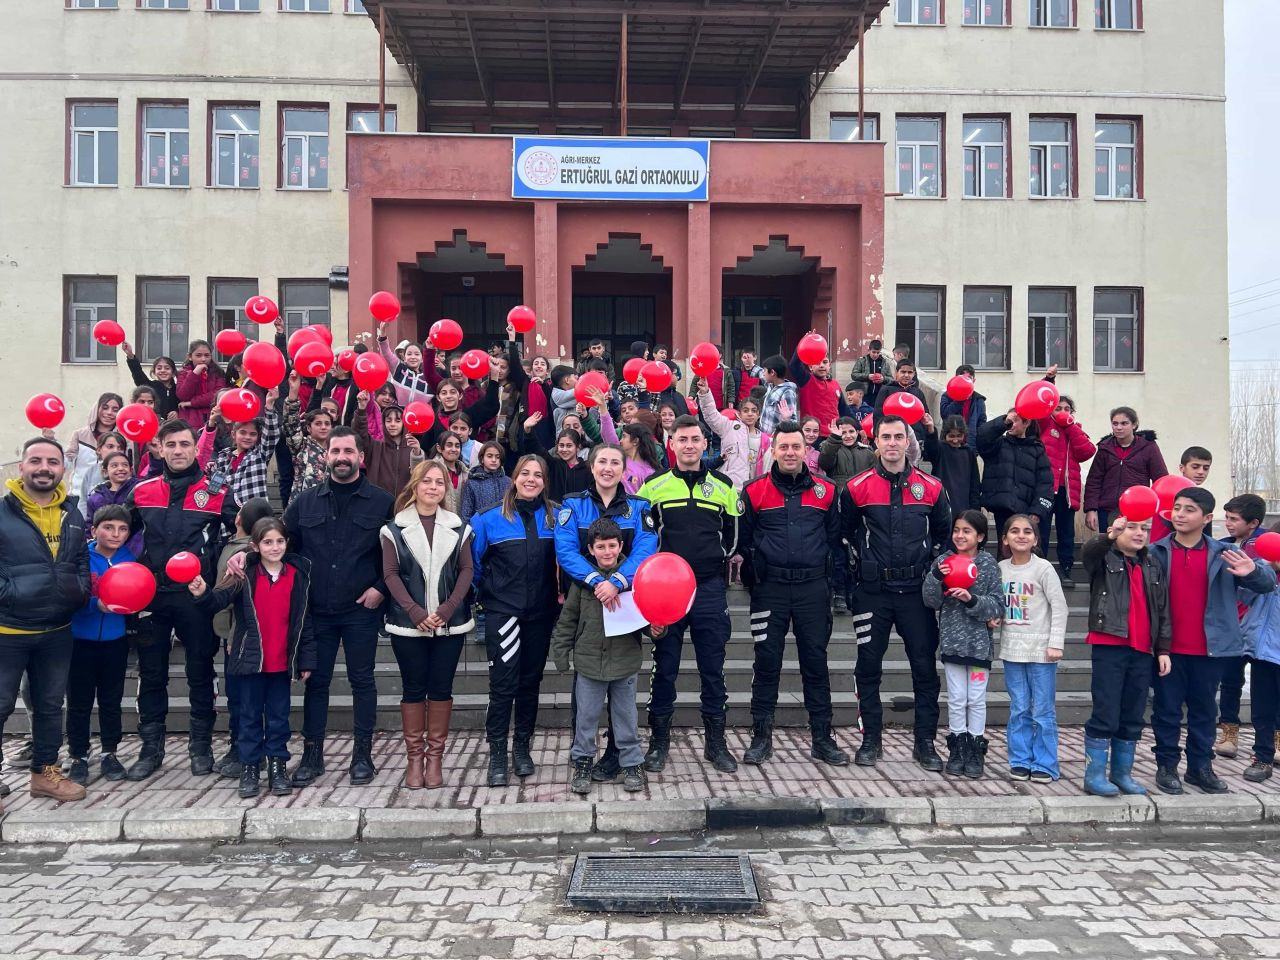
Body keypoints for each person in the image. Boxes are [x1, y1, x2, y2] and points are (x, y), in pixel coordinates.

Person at [280, 427, 395, 787]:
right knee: (317, 683)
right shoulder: (305, 502)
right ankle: (312, 755)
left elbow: (395, 554)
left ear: (361, 457)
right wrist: (243, 557)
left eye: (348, 451)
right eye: (335, 451)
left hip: (361, 609)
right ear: (325, 456)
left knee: (363, 681)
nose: (341, 457)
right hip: (317, 611)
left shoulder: (382, 502)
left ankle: (363, 755)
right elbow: (283, 547)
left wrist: (380, 588)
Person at [125, 418, 239, 781]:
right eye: (170, 444)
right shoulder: (142, 491)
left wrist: (238, 556)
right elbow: (113, 533)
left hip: (196, 597)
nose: (177, 451)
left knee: (200, 672)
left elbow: (244, 530)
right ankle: (150, 748)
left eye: (184, 444)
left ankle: (200, 746)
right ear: (159, 448)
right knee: (152, 673)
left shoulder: (217, 492)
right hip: (151, 598)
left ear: (195, 448)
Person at [841, 415, 952, 771]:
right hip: (873, 594)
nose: (891, 443)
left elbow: (943, 537)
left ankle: (925, 742)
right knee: (868, 668)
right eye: (885, 437)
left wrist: (934, 576)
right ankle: (870, 739)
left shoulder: (931, 488)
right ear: (875, 442)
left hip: (916, 594)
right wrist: (852, 585)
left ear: (908, 441)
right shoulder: (857, 487)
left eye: (898, 437)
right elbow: (843, 538)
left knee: (924, 669)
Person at [1147, 487, 1274, 795]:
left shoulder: (1224, 553)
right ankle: (1166, 766)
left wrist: (1253, 571)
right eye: (1177, 508)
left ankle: (1199, 767)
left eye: (1189, 509)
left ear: (1206, 518)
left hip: (1211, 649)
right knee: (1166, 710)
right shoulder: (1156, 552)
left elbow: (1267, 584)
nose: (1179, 514)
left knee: (1205, 711)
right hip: (1167, 649)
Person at [738, 422, 846, 767]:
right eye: (783, 447)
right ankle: (761, 737)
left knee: (815, 664)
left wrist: (835, 586)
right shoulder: (753, 490)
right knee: (766, 664)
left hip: (813, 589)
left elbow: (834, 542)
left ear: (805, 450)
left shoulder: (826, 491)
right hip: (769, 590)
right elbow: (745, 541)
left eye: (795, 447)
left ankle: (822, 738)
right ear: (773, 450)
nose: (789, 453)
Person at [637, 415, 740, 774]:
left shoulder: (724, 486)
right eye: (682, 440)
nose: (690, 445)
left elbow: (733, 537)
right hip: (665, 592)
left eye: (696, 439)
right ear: (672, 443)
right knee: (664, 668)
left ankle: (716, 743)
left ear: (704, 442)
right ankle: (658, 743)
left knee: (714, 669)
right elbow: (643, 539)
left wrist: (712, 563)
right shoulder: (653, 486)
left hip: (709, 588)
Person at [553, 444, 658, 782]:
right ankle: (583, 759)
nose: (608, 468)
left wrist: (619, 581)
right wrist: (599, 581)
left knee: (624, 709)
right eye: (602, 462)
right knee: (585, 709)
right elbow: (566, 549)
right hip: (587, 603)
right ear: (592, 466)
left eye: (615, 462)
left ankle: (625, 760)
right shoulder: (573, 505)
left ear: (623, 468)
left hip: (625, 608)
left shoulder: (639, 507)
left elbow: (645, 546)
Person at [189, 518, 315, 798]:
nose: (274, 547)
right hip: (249, 660)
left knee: (279, 718)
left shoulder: (297, 574)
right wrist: (202, 593)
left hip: (282, 661)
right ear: (255, 545)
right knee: (247, 716)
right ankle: (249, 767)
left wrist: (306, 658)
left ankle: (278, 766)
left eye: (279, 541)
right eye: (268, 542)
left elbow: (303, 622)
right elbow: (218, 601)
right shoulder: (244, 573)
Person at [0, 438, 91, 804]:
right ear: (21, 467)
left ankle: (45, 773)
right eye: (35, 460)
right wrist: (9, 594)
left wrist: (80, 590)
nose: (44, 468)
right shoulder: (4, 512)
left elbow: (80, 560)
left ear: (62, 469)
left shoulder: (72, 513)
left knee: (51, 705)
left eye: (52, 462)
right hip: (8, 630)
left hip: (56, 629)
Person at [379, 460, 474, 789]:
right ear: (415, 485)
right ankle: (414, 759)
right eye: (427, 481)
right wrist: (415, 612)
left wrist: (447, 609)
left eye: (439, 482)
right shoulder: (393, 529)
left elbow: (466, 571)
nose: (433, 487)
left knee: (441, 689)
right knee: (413, 689)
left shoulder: (459, 527)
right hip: (410, 625)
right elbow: (390, 574)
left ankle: (435, 759)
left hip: (450, 625)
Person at [470, 455, 560, 785]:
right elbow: (473, 566)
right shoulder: (487, 518)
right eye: (525, 473)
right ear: (514, 477)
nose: (531, 479)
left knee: (529, 683)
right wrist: (489, 597)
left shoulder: (556, 516)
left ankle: (521, 749)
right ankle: (497, 754)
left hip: (541, 614)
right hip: (503, 614)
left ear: (545, 481)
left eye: (538, 475)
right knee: (503, 686)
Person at [1080, 516, 1171, 797]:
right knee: (1106, 712)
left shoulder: (1153, 562)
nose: (1139, 533)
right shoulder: (1104, 557)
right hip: (1110, 644)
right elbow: (1089, 553)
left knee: (1132, 713)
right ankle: (1094, 775)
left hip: (1143, 650)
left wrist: (1163, 649)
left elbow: (1163, 608)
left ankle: (1121, 773)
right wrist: (1109, 535)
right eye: (1132, 527)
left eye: (1144, 528)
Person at [923, 510, 1003, 779]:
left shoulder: (989, 564)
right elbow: (930, 600)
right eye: (957, 530)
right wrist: (935, 575)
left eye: (967, 531)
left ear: (980, 536)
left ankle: (975, 748)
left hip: (979, 646)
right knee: (957, 699)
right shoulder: (944, 561)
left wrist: (972, 600)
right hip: (952, 644)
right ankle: (956, 746)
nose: (960, 535)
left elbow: (997, 605)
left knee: (976, 699)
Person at [65, 504, 136, 786]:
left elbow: (136, 591)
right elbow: (69, 594)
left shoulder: (129, 559)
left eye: (122, 529)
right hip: (80, 641)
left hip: (115, 642)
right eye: (108, 527)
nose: (115, 534)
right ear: (94, 530)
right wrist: (96, 605)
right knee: (79, 702)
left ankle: (110, 752)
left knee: (111, 700)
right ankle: (78, 755)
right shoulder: (81, 557)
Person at [998, 514, 1069, 783]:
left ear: (1036, 539)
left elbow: (1059, 607)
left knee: (1043, 710)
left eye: (1027, 531)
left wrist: (1055, 644)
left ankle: (1045, 763)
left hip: (1041, 651)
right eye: (1014, 531)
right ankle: (1020, 759)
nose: (1021, 535)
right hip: (1012, 650)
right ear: (1005, 538)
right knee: (1019, 708)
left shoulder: (1043, 569)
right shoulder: (1001, 568)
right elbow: (999, 604)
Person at [209, 496, 275, 781]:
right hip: (243, 635)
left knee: (239, 697)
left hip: (237, 637)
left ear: (238, 520)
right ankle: (243, 746)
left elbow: (232, 598)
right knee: (243, 696)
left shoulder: (239, 552)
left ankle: (244, 749)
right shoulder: (252, 549)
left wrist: (230, 635)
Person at [1215, 493, 1266, 761]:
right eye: (1228, 518)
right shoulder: (1223, 545)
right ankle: (1229, 732)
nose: (1229, 523)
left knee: (1267, 685)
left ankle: (1271, 738)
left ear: (1253, 522)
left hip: (1261, 625)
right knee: (1231, 680)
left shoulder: (1268, 544)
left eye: (1235, 519)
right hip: (1232, 624)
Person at [1036, 390, 1096, 588]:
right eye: (1058, 408)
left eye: (1067, 409)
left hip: (1068, 492)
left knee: (1066, 532)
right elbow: (1039, 407)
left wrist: (1070, 426)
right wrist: (1048, 383)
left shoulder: (1075, 430)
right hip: (1046, 489)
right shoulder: (1045, 425)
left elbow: (1087, 451)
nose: (1062, 412)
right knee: (1042, 531)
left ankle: (1066, 570)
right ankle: (1040, 569)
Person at [976, 409, 1053, 557]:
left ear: (1027, 423)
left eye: (1015, 420)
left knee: (1028, 555)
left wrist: (1037, 512)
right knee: (1004, 554)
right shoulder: (998, 444)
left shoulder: (1037, 449)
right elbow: (982, 437)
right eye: (1009, 420)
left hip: (1027, 513)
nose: (1011, 424)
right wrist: (1003, 422)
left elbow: (1045, 484)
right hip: (1002, 510)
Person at [1083, 406, 1168, 532]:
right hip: (1107, 509)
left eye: (1124, 423)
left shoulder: (1148, 447)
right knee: (1109, 548)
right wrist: (1091, 509)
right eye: (1115, 423)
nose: (1119, 427)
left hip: (1137, 508)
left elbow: (1161, 480)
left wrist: (1157, 510)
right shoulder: (1105, 448)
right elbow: (1094, 481)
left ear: (1134, 425)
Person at [1240, 518, 1280, 783]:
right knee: (1262, 708)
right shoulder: (1262, 568)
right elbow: (1243, 596)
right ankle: (1262, 756)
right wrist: (1259, 573)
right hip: (1263, 651)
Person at [198, 389, 282, 506]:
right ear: (233, 434)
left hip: (255, 514)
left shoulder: (260, 454)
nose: (247, 437)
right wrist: (212, 421)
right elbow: (213, 488)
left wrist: (269, 405)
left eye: (253, 434)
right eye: (243, 433)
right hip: (228, 514)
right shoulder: (222, 458)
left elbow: (272, 433)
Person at [696, 382, 768, 490]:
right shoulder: (728, 427)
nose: (750, 414)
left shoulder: (764, 439)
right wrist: (705, 393)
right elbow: (711, 415)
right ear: (739, 413)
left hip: (753, 488)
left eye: (754, 411)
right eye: (745, 410)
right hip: (729, 486)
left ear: (758, 415)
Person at [65, 392, 124, 519]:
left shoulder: (123, 438)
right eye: (105, 407)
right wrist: (51, 441)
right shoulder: (79, 434)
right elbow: (67, 462)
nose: (109, 413)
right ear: (97, 408)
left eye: (115, 409)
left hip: (109, 504)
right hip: (78, 500)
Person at [354, 396, 425, 497]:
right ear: (383, 423)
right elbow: (360, 432)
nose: (392, 424)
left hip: (405, 505)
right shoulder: (374, 447)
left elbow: (420, 476)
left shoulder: (412, 448)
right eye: (388, 420)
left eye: (397, 420)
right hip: (378, 504)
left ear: (404, 423)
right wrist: (361, 409)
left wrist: (417, 453)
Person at [284, 373, 332, 504]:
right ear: (309, 428)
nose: (323, 427)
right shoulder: (301, 446)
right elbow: (290, 423)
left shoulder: (337, 450)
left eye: (327, 424)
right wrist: (293, 391)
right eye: (318, 423)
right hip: (303, 504)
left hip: (329, 505)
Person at [1150, 446, 1214, 542]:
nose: (1201, 472)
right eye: (1195, 467)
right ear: (1182, 468)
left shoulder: (1203, 496)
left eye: (1206, 468)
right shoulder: (1168, 488)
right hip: (1162, 548)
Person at [927, 415, 981, 515]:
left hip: (964, 505)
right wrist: (931, 430)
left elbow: (975, 483)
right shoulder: (940, 449)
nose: (955, 440)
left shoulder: (968, 452)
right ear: (945, 435)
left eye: (959, 435)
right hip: (943, 505)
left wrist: (975, 509)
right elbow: (931, 447)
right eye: (951, 436)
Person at [789, 345, 844, 438]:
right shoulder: (806, 380)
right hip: (813, 435)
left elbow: (844, 409)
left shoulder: (835, 384)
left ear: (829, 366)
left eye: (825, 362)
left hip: (833, 434)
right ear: (810, 367)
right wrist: (803, 344)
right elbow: (793, 365)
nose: (821, 365)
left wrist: (858, 428)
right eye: (817, 362)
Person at [175, 340, 228, 432]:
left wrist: (191, 403)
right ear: (190, 357)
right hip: (190, 421)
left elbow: (217, 395)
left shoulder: (218, 372)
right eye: (198, 355)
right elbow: (182, 395)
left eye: (207, 355)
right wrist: (195, 373)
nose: (203, 359)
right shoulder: (183, 373)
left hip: (213, 418)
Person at [872, 360, 929, 443]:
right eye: (903, 372)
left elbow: (925, 415)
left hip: (915, 438)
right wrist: (878, 436)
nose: (906, 375)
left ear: (913, 374)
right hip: (892, 437)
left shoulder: (918, 392)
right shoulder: (886, 390)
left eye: (910, 372)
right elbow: (878, 415)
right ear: (896, 373)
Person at [122, 342, 180, 420]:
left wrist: (177, 412)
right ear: (154, 371)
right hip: (152, 424)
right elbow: (137, 372)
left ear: (173, 372)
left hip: (173, 427)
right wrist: (130, 355)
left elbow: (183, 405)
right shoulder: (149, 387)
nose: (163, 371)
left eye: (167, 368)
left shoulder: (179, 389)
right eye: (159, 368)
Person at [459, 441, 512, 525]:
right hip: (480, 528)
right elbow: (466, 513)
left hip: (504, 529)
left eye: (497, 457)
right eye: (489, 456)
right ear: (482, 459)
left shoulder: (508, 482)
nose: (494, 460)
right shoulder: (472, 483)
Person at [937, 365, 986, 449]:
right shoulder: (947, 396)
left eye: (969, 378)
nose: (966, 381)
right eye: (962, 378)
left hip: (970, 444)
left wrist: (978, 443)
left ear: (973, 380)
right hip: (949, 442)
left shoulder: (978, 400)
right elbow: (945, 414)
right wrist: (959, 399)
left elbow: (981, 422)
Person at [758, 354, 797, 436]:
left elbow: (792, 421)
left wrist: (786, 419)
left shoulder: (787, 392)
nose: (763, 374)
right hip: (764, 436)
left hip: (775, 438)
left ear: (772, 372)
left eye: (764, 371)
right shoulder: (770, 386)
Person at [850, 338, 895, 408]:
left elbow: (891, 379)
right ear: (869, 350)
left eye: (878, 352)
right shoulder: (862, 361)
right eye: (873, 352)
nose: (875, 354)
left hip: (879, 395)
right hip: (864, 395)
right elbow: (854, 375)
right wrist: (867, 376)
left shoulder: (885, 363)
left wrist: (883, 379)